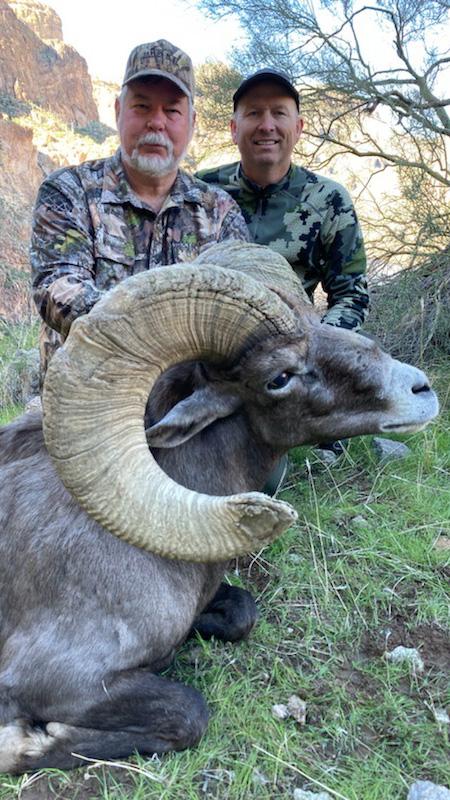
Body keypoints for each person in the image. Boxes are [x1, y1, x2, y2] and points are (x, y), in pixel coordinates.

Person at [31, 40, 249, 381]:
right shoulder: (68, 191)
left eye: (172, 110)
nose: (156, 122)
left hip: (184, 405)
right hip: (87, 396)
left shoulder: (220, 211)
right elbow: (57, 290)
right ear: (118, 111)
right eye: (142, 107)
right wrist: (164, 325)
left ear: (192, 122)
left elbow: (240, 309)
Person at [197, 68, 369, 334]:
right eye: (254, 113)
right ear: (234, 129)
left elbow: (351, 295)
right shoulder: (200, 191)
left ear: (298, 128)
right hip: (211, 345)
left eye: (279, 113)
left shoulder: (329, 200)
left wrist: (319, 345)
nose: (267, 126)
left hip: (292, 350)